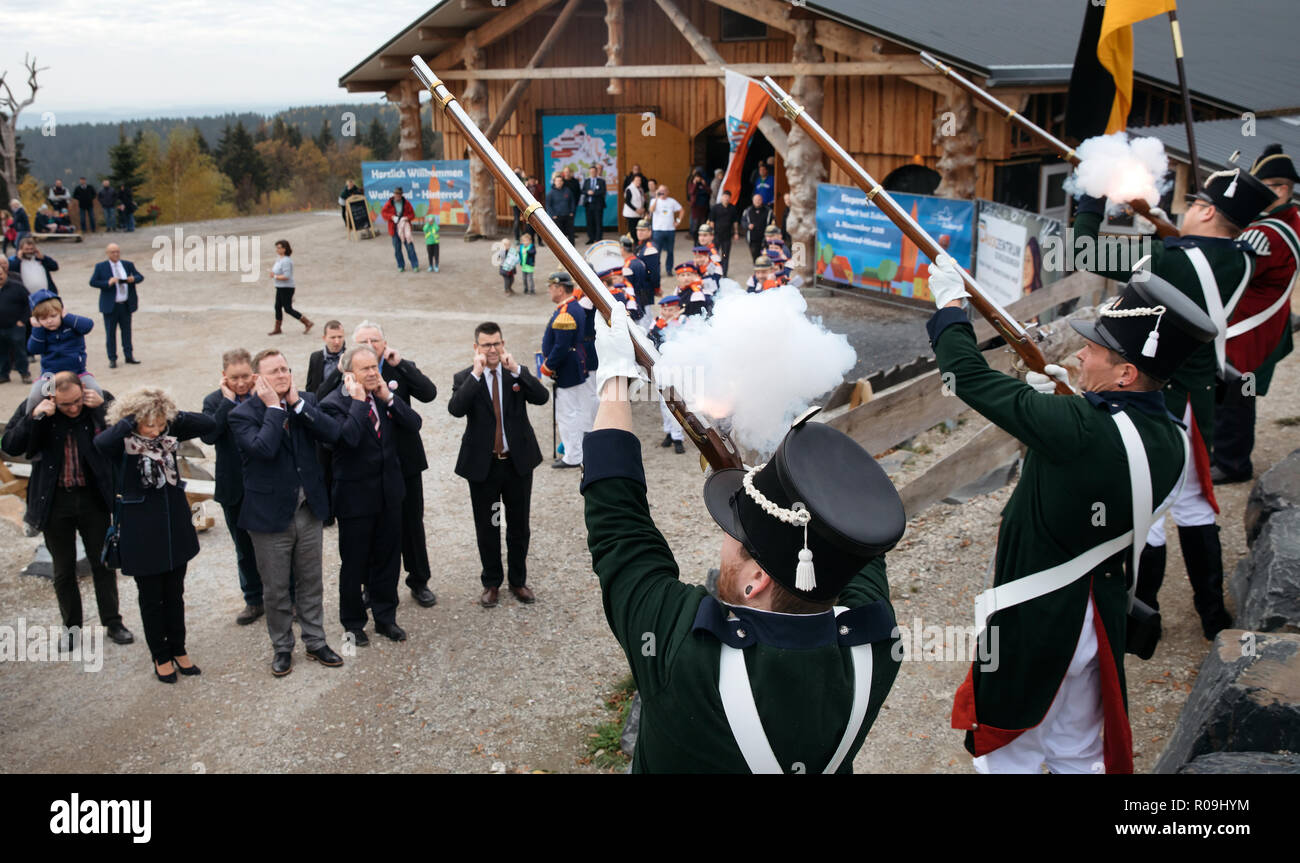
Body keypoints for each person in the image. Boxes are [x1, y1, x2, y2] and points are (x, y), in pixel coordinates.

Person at [581, 302, 906, 772]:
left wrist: (613, 378)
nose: (726, 540)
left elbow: (620, 531)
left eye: (735, 535)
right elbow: (846, 526)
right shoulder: (875, 645)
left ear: (756, 581)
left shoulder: (683, 650)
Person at [928, 257, 1216, 773]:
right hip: (1099, 612)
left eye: (1095, 350)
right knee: (1078, 754)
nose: (1080, 354)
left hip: (1037, 617)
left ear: (1126, 373)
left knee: (1008, 753)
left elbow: (964, 376)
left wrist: (950, 308)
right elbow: (1103, 453)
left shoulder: (1078, 426)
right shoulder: (1171, 438)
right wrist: (1079, 399)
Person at [1074, 169, 1274, 639]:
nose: (1186, 208)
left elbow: (1081, 249)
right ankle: (1211, 616)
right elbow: (1202, 253)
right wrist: (1161, 223)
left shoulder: (1167, 257)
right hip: (1196, 402)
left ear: (1206, 211)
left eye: (1195, 202)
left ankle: (1141, 617)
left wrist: (1090, 193)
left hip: (1157, 400)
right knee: (1194, 505)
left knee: (1150, 509)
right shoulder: (1241, 260)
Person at [229, 348, 345, 675]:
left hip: (308, 510)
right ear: (257, 379)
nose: (282, 376)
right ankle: (282, 647)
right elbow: (263, 448)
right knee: (277, 589)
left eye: (285, 369)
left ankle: (315, 640)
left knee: (311, 582)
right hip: (269, 517)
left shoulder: (304, 399)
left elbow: (333, 434)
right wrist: (273, 408)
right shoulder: (242, 414)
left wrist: (297, 405)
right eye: (274, 371)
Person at [1, 372, 133, 651]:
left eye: (76, 402)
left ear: (83, 391)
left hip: (92, 498)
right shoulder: (37, 407)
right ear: (51, 397)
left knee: (104, 564)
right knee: (63, 570)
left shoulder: (96, 403)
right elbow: (10, 445)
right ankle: (72, 630)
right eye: (65, 405)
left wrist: (102, 408)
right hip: (54, 500)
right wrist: (35, 416)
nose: (73, 409)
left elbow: (127, 435)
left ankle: (113, 622)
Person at [95, 388, 215, 683]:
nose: (156, 430)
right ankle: (160, 655)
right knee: (151, 598)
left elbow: (209, 424)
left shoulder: (167, 435)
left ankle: (179, 648)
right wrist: (129, 421)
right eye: (150, 425)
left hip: (174, 526)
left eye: (161, 424)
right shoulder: (121, 443)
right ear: (134, 422)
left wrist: (170, 413)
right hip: (141, 531)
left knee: (175, 594)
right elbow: (101, 443)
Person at [317, 321, 439, 606]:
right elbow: (320, 402)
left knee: (411, 524)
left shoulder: (397, 367)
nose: (370, 346)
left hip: (404, 462)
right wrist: (340, 374)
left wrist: (403, 364)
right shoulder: (346, 379)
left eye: (375, 341)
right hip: (367, 467)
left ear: (385, 344)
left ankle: (418, 580)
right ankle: (373, 587)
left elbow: (429, 393)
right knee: (374, 532)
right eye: (363, 342)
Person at [320, 346, 422, 644]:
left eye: (374, 368)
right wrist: (358, 401)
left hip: (389, 494)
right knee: (354, 564)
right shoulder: (333, 404)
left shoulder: (383, 397)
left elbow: (414, 424)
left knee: (388, 560)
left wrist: (388, 399)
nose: (372, 374)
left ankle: (385, 618)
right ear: (348, 373)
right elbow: (347, 439)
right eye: (365, 369)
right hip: (354, 499)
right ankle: (353, 624)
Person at [1212, 144, 1299, 484]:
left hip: (1247, 328)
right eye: (1272, 184)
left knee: (1233, 394)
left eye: (1284, 185)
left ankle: (1232, 464)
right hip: (1263, 323)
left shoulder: (1264, 234)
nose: (1279, 191)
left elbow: (1226, 272)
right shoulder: (1285, 218)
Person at [448, 322, 549, 607]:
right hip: (484, 466)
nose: (492, 350)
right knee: (488, 526)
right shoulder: (466, 377)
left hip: (517, 463)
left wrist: (517, 369)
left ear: (503, 344)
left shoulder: (516, 372)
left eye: (496, 344)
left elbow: (542, 398)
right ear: (476, 348)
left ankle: (518, 581)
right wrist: (477, 374)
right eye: (486, 345)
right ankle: (492, 582)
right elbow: (456, 409)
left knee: (519, 525)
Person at [201, 349, 268, 626]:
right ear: (223, 376)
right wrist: (227, 403)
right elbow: (208, 435)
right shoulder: (214, 401)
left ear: (253, 374)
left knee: (276, 546)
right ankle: (253, 600)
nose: (240, 383)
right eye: (234, 378)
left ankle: (289, 597)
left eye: (245, 377)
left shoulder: (265, 395)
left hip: (265, 485)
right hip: (233, 487)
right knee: (244, 548)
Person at [24, 290, 103, 413]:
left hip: (78, 374)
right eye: (43, 318)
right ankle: (30, 423)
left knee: (95, 390)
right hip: (50, 377)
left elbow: (88, 325)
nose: (49, 321)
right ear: (36, 319)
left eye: (53, 316)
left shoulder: (71, 324)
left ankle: (103, 423)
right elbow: (34, 349)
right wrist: (37, 329)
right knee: (36, 395)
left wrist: (67, 317)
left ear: (61, 312)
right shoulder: (40, 331)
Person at [539, 271, 588, 469]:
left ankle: (573, 456)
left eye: (551, 287)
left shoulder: (566, 311)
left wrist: (547, 368)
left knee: (567, 414)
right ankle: (575, 450)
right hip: (572, 365)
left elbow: (561, 347)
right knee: (573, 411)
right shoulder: (571, 306)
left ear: (560, 289)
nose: (549, 291)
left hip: (565, 369)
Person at [89, 242, 144, 369]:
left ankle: (129, 355)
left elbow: (140, 276)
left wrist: (133, 279)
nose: (116, 254)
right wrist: (107, 283)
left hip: (125, 304)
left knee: (127, 331)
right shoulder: (101, 267)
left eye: (117, 251)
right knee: (110, 333)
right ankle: (112, 358)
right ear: (107, 254)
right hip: (110, 305)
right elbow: (93, 282)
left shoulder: (127, 264)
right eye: (113, 252)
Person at [648, 294, 687, 453]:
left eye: (670, 310)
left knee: (677, 401)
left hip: (678, 367)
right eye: (664, 309)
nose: (666, 313)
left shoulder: (684, 322)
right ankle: (669, 432)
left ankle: (678, 437)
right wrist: (660, 326)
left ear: (678, 309)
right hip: (662, 366)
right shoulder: (657, 322)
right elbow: (650, 340)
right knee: (664, 404)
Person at [267, 239, 313, 336]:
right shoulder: (279, 259)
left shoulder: (286, 261)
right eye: (277, 248)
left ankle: (307, 322)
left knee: (288, 308)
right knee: (277, 307)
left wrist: (274, 276)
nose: (277, 250)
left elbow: (286, 276)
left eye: (279, 248)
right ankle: (277, 328)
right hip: (280, 287)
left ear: (284, 249)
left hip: (286, 287)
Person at [0, 257, 31, 383]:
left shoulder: (17, 287)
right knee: (1, 353)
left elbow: (28, 304)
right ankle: (3, 375)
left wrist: (22, 321)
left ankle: (24, 374)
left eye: (0, 274)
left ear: (5, 273)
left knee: (19, 352)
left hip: (15, 326)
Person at [381, 186, 420, 273]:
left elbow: (412, 215)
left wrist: (406, 218)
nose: (397, 196)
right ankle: (401, 265)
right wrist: (391, 217)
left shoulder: (406, 203)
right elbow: (383, 213)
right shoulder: (389, 203)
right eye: (396, 194)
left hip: (405, 229)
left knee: (410, 247)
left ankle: (415, 265)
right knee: (397, 248)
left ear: (401, 195)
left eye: (399, 194)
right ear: (394, 194)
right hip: (394, 229)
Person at [648, 184, 683, 274]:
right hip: (657, 230)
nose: (662, 192)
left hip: (670, 230)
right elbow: (651, 210)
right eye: (660, 190)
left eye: (664, 190)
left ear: (667, 192)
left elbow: (681, 210)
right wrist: (656, 197)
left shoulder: (672, 201)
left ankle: (669, 269)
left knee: (670, 251)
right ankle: (656, 270)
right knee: (657, 252)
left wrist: (678, 221)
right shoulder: (653, 201)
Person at [620, 233, 651, 328]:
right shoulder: (640, 262)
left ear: (622, 249)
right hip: (645, 297)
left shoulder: (627, 267)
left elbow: (627, 287)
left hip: (635, 299)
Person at [634, 218, 661, 303]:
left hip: (645, 288)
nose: (639, 232)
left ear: (650, 231)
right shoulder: (641, 245)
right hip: (639, 286)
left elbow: (654, 272)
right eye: (638, 230)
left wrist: (656, 288)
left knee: (645, 314)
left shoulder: (650, 249)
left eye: (643, 230)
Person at [545, 175, 576, 245]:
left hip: (568, 215)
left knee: (571, 233)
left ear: (562, 182)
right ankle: (562, 247)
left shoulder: (568, 190)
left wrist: (572, 212)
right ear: (554, 182)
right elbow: (548, 205)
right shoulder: (551, 193)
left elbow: (572, 202)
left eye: (560, 181)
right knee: (560, 234)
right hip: (557, 217)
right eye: (557, 181)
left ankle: (572, 247)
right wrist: (553, 215)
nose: (559, 182)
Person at [741, 193, 772, 264]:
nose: (757, 201)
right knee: (755, 257)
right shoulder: (748, 211)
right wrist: (747, 225)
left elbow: (772, 223)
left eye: (759, 200)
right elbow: (743, 221)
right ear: (752, 200)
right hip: (753, 239)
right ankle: (757, 272)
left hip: (765, 239)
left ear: (762, 200)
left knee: (765, 257)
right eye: (756, 200)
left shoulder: (768, 211)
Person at [582, 166, 607, 244]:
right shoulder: (586, 181)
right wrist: (587, 192)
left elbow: (603, 191)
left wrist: (594, 193)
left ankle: (598, 239)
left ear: (596, 172)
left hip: (598, 205)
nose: (592, 173)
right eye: (591, 172)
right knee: (590, 222)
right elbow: (583, 190)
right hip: (588, 205)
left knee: (598, 222)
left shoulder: (601, 181)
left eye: (594, 172)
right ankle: (591, 238)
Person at [687, 169, 710, 241]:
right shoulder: (692, 183)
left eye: (699, 177)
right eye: (696, 177)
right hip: (695, 206)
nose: (698, 178)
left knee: (702, 223)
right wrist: (694, 184)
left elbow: (709, 191)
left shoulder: (702, 183)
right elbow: (691, 192)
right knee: (695, 224)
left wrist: (704, 184)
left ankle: (701, 239)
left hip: (703, 206)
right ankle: (695, 239)